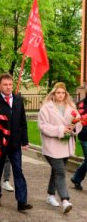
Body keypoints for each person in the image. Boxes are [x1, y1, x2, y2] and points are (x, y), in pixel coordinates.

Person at [0, 73, 32, 211]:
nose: (8, 87)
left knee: (18, 171)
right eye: (5, 85)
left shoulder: (18, 100)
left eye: (10, 84)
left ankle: (21, 201)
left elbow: (23, 122)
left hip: (15, 144)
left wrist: (25, 141)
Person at [38, 82, 82, 214]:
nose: (61, 95)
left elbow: (78, 123)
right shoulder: (46, 108)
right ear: (53, 93)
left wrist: (74, 128)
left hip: (65, 146)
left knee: (56, 171)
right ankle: (65, 200)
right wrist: (61, 129)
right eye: (58, 93)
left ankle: (51, 195)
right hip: (51, 146)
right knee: (60, 172)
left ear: (66, 94)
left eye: (63, 93)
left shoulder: (71, 106)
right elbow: (43, 126)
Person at [71, 94, 87, 190]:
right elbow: (74, 119)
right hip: (85, 135)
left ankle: (76, 178)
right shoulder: (81, 104)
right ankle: (76, 178)